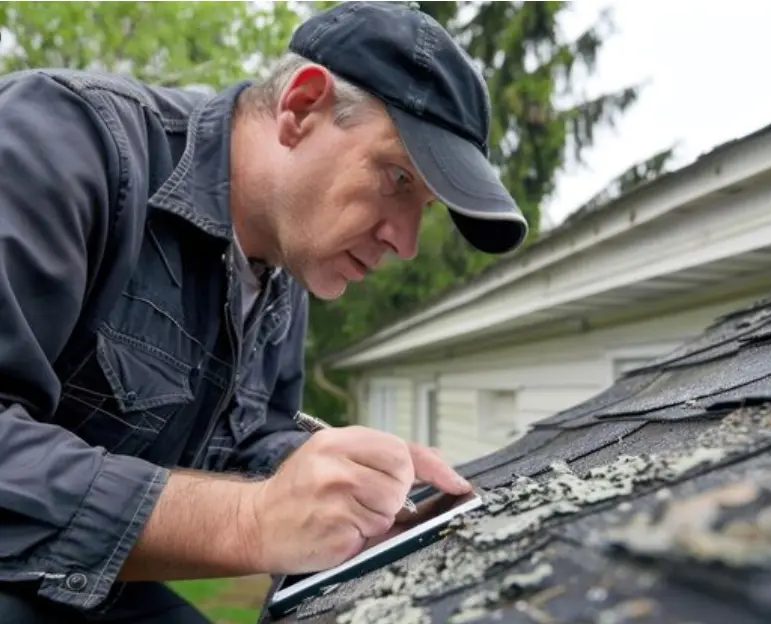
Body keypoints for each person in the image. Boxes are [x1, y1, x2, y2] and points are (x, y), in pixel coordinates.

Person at [0, 2, 528, 622]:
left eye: (426, 206)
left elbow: (245, 441)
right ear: (301, 108)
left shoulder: (284, 272)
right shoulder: (62, 141)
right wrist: (249, 521)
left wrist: (344, 480)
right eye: (398, 179)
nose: (405, 243)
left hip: (89, 589)